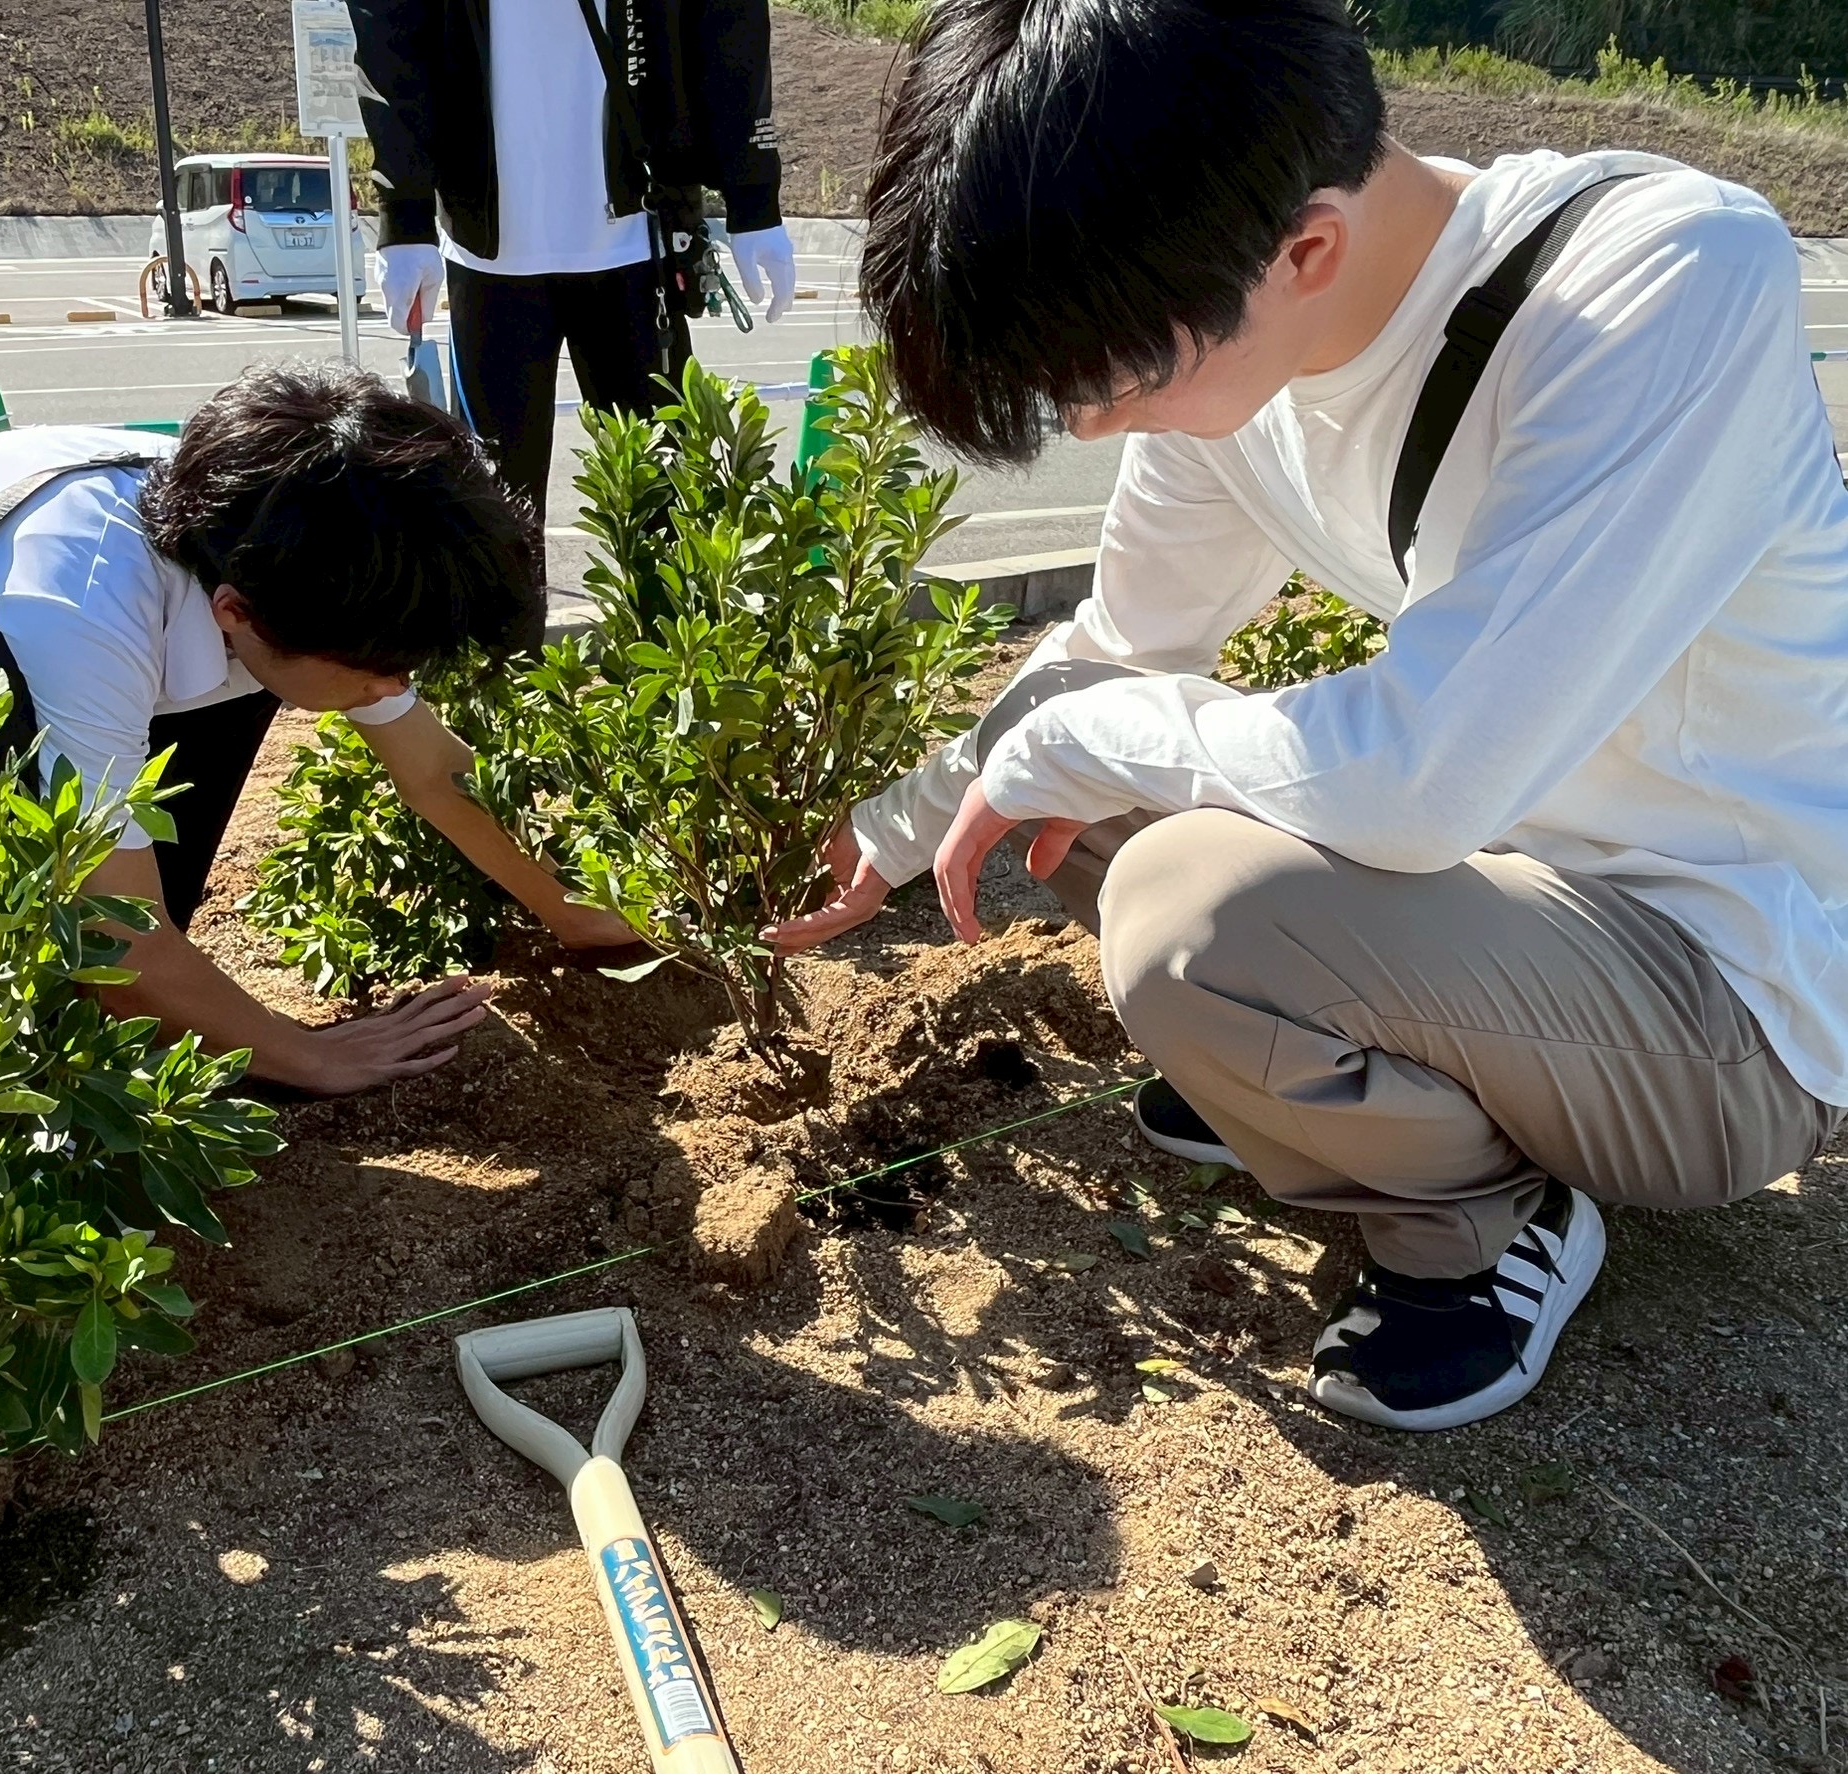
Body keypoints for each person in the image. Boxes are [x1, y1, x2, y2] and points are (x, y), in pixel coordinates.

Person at [768, 0, 1848, 1432]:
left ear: (1307, 249)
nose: (1089, 428)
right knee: (1073, 796)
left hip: (1721, 995)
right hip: (1488, 892)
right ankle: (1336, 1067)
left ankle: (1481, 1223)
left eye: (1102, 380)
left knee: (1184, 906)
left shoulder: (1660, 284)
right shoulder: (1248, 357)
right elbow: (1122, 647)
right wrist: (895, 828)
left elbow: (1418, 780)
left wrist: (1077, 744)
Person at [0, 364, 636, 1097]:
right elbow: (116, 938)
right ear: (236, 607)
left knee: (277, 690)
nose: (393, 689)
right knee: (88, 949)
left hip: (21, 678)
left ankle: (147, 1010)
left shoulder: (289, 532)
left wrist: (573, 910)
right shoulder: (70, 615)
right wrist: (315, 1058)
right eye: (384, 670)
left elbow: (433, 770)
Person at [348, 0, 799, 548]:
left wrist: (754, 199)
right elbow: (391, 37)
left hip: (637, 236)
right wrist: (404, 215)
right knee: (496, 528)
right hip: (488, 252)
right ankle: (508, 637)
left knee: (666, 517)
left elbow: (727, 21)